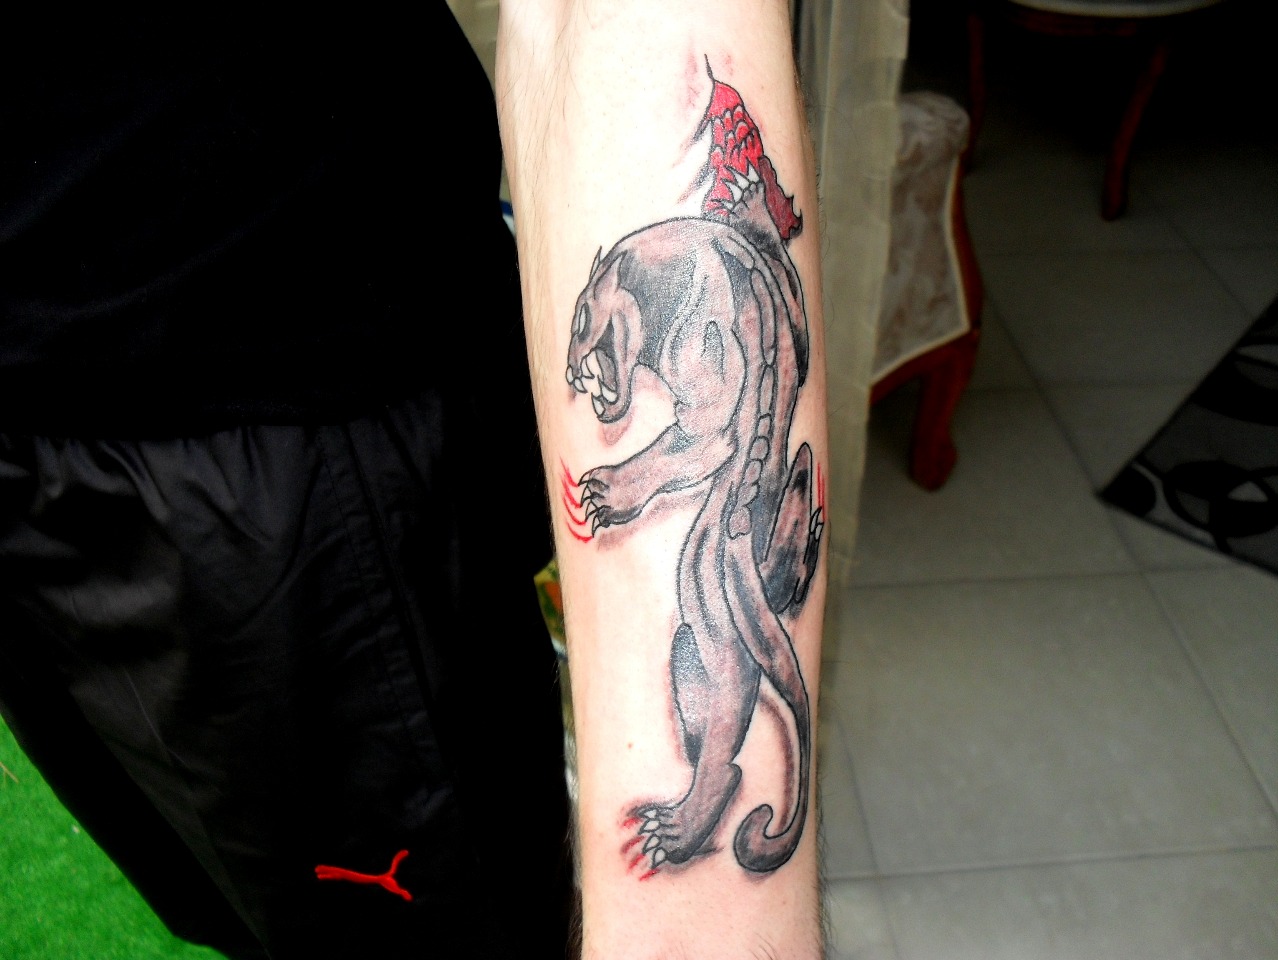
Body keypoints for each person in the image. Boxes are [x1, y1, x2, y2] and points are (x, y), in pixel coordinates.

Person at [1, 3, 826, 958]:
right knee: (231, 873)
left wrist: (694, 933)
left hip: (268, 429)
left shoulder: (700, 322)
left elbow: (623, 19)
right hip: (45, 406)